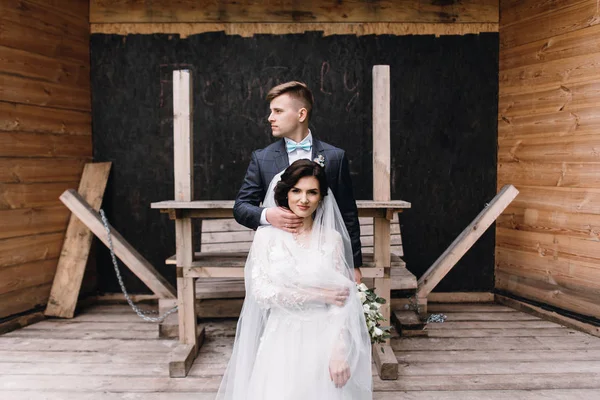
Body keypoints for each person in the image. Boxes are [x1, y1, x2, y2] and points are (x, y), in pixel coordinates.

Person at [217, 160, 372, 400]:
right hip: (282, 339)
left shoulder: (332, 239)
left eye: (312, 192)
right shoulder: (267, 236)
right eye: (296, 191)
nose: (304, 199)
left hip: (323, 338)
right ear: (285, 192)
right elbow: (262, 292)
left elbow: (341, 301)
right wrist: (320, 294)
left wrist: (339, 349)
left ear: (321, 198)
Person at [233, 81, 363, 283]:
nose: (270, 118)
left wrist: (354, 264)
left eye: (278, 111)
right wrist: (268, 215)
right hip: (280, 258)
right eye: (271, 111)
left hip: (322, 256)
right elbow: (241, 208)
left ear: (301, 115)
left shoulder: (335, 157)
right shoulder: (263, 158)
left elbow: (348, 214)